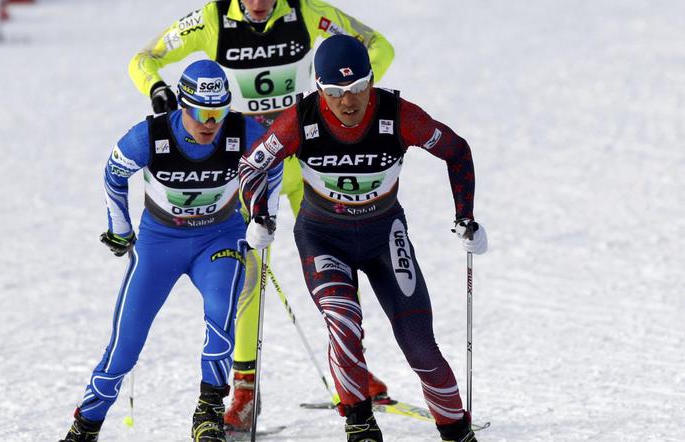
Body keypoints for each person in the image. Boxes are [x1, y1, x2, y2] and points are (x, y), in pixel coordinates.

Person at [128, 0, 396, 431]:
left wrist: (341, 99)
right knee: (247, 276)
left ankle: (354, 371)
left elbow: (379, 46)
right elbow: (144, 59)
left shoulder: (308, 13)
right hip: (250, 167)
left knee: (338, 262)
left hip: (309, 160)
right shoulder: (212, 20)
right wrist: (157, 90)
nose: (257, 5)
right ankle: (244, 393)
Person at [238, 35, 488, 442]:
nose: (347, 102)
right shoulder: (300, 119)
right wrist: (259, 215)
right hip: (323, 237)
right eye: (335, 92)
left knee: (420, 346)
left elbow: (456, 151)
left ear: (371, 81)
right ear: (319, 88)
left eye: (357, 89)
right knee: (342, 321)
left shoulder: (399, 115)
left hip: (384, 235)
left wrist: (466, 218)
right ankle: (359, 424)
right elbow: (251, 166)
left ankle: (456, 430)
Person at [59, 60, 280, 442]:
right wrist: (120, 228)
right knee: (125, 345)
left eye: (219, 112)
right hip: (160, 244)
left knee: (220, 316)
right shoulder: (151, 135)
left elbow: (273, 165)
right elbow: (113, 172)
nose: (211, 122)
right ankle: (86, 425)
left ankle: (208, 412)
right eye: (202, 113)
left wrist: (263, 215)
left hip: (219, 240)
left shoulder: (242, 130)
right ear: (182, 105)